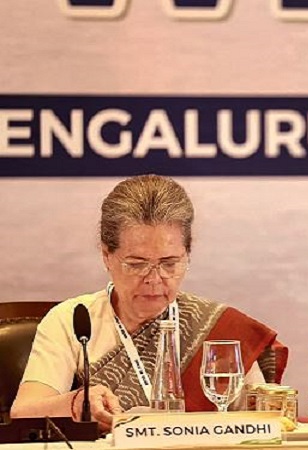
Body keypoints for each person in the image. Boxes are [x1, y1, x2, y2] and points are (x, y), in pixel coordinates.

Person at [11, 174, 288, 431]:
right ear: (107, 255)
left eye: (169, 263)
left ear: (187, 254)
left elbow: (260, 426)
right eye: (136, 264)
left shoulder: (220, 328)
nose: (155, 279)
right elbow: (24, 412)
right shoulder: (73, 320)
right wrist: (77, 402)